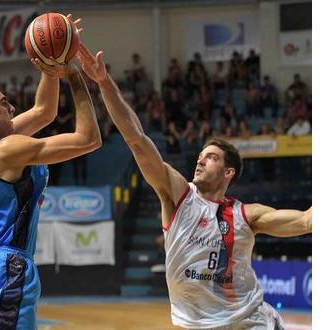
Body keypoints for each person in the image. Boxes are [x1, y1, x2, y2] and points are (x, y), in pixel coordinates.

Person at [77, 43, 312, 329]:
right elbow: (136, 138)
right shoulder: (179, 196)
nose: (200, 162)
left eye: (210, 158)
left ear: (228, 172)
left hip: (251, 322)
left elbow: (306, 221)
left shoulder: (247, 215)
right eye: (200, 157)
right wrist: (103, 81)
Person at [0, 18, 101, 330]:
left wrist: (50, 65)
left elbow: (44, 112)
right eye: (4, 104)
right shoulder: (6, 151)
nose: (12, 107)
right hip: (7, 266)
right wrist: (74, 75)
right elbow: (88, 139)